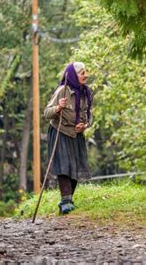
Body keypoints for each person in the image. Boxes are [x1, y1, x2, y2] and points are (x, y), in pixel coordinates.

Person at [43, 62, 93, 214]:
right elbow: (46, 113)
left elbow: (89, 116)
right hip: (60, 132)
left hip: (76, 134)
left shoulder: (86, 93)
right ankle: (65, 200)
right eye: (82, 73)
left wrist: (84, 126)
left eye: (85, 72)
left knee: (76, 166)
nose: (85, 75)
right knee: (64, 165)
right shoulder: (62, 91)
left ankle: (69, 199)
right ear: (72, 75)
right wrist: (58, 107)